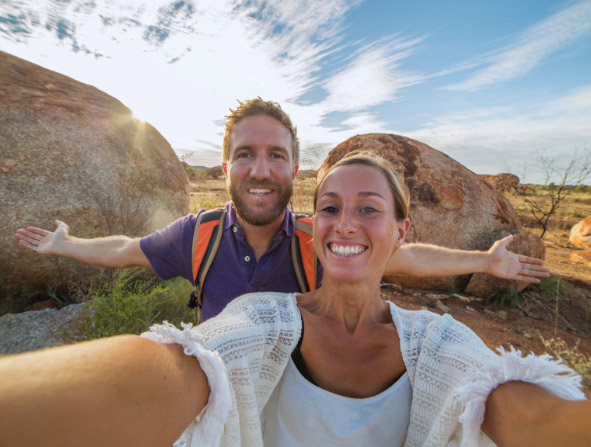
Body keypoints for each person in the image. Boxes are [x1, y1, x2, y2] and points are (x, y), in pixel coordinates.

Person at [1, 152, 588, 447]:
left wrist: (485, 262)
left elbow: (510, 406)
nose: (345, 224)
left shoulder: (439, 344)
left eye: (368, 209)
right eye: (330, 208)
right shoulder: (253, 307)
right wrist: (68, 244)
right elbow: (192, 361)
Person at [14, 98, 548, 321]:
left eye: (276, 156)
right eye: (245, 155)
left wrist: (484, 261)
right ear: (226, 169)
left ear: (295, 170)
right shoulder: (198, 236)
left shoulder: (321, 239)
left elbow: (405, 259)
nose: (261, 170)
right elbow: (128, 250)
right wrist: (65, 245)